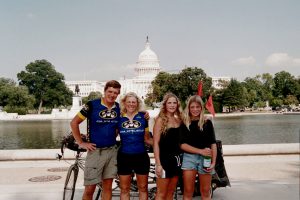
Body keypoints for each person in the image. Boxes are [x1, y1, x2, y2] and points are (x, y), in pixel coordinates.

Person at [70, 80, 121, 200]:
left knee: (107, 187)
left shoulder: (118, 107)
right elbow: (74, 123)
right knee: (90, 188)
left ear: (118, 94)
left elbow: (121, 123)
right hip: (95, 151)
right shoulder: (92, 105)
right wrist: (81, 142)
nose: (112, 95)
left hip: (112, 151)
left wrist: (144, 114)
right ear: (104, 91)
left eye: (115, 93)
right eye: (110, 91)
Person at [180, 95, 217, 200]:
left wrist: (213, 163)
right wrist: (200, 151)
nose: (195, 109)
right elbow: (182, 145)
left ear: (201, 108)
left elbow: (213, 144)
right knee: (188, 192)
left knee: (205, 192)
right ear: (188, 108)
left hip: (206, 159)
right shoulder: (184, 123)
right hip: (189, 158)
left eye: (197, 107)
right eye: (192, 107)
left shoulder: (207, 123)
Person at [117, 92, 153, 200]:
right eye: (129, 102)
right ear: (124, 103)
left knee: (142, 188)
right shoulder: (119, 118)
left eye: (133, 102)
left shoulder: (143, 117)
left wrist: (162, 143)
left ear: (137, 103)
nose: (131, 104)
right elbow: (111, 135)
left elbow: (147, 139)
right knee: (124, 189)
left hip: (141, 156)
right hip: (124, 156)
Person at [153, 93, 183, 200]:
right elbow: (155, 143)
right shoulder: (160, 120)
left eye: (174, 103)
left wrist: (206, 117)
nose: (172, 105)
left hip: (177, 160)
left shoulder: (178, 120)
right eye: (169, 103)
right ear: (165, 104)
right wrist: (158, 164)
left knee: (171, 192)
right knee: (161, 193)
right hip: (164, 161)